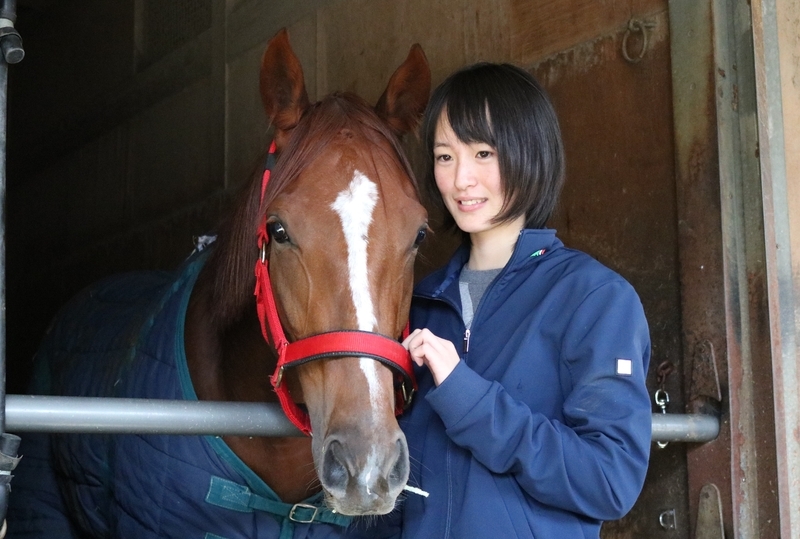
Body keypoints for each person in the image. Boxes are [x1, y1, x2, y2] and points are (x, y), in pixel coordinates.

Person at [351, 62, 652, 538]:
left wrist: (464, 396)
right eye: (445, 157)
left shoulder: (594, 298)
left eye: (483, 153)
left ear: (530, 153)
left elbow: (609, 479)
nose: (462, 179)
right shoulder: (417, 306)